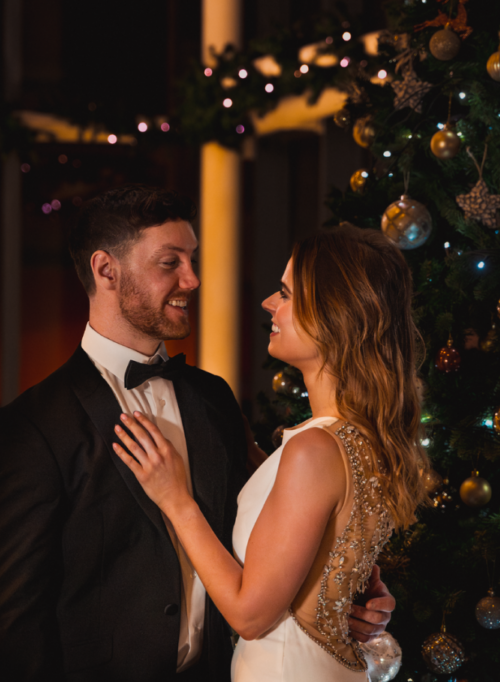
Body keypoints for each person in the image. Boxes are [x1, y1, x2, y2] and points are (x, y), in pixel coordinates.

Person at [0, 186, 396, 682]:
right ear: (106, 270)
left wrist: (342, 588)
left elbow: (278, 529)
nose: (192, 279)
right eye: (169, 262)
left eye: (192, 259)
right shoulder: (37, 423)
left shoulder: (212, 398)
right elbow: (12, 619)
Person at [111, 225, 431, 681]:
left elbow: (249, 616)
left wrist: (175, 499)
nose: (268, 303)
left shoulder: (314, 449)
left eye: (286, 293)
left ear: (332, 315)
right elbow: (312, 526)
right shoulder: (361, 436)